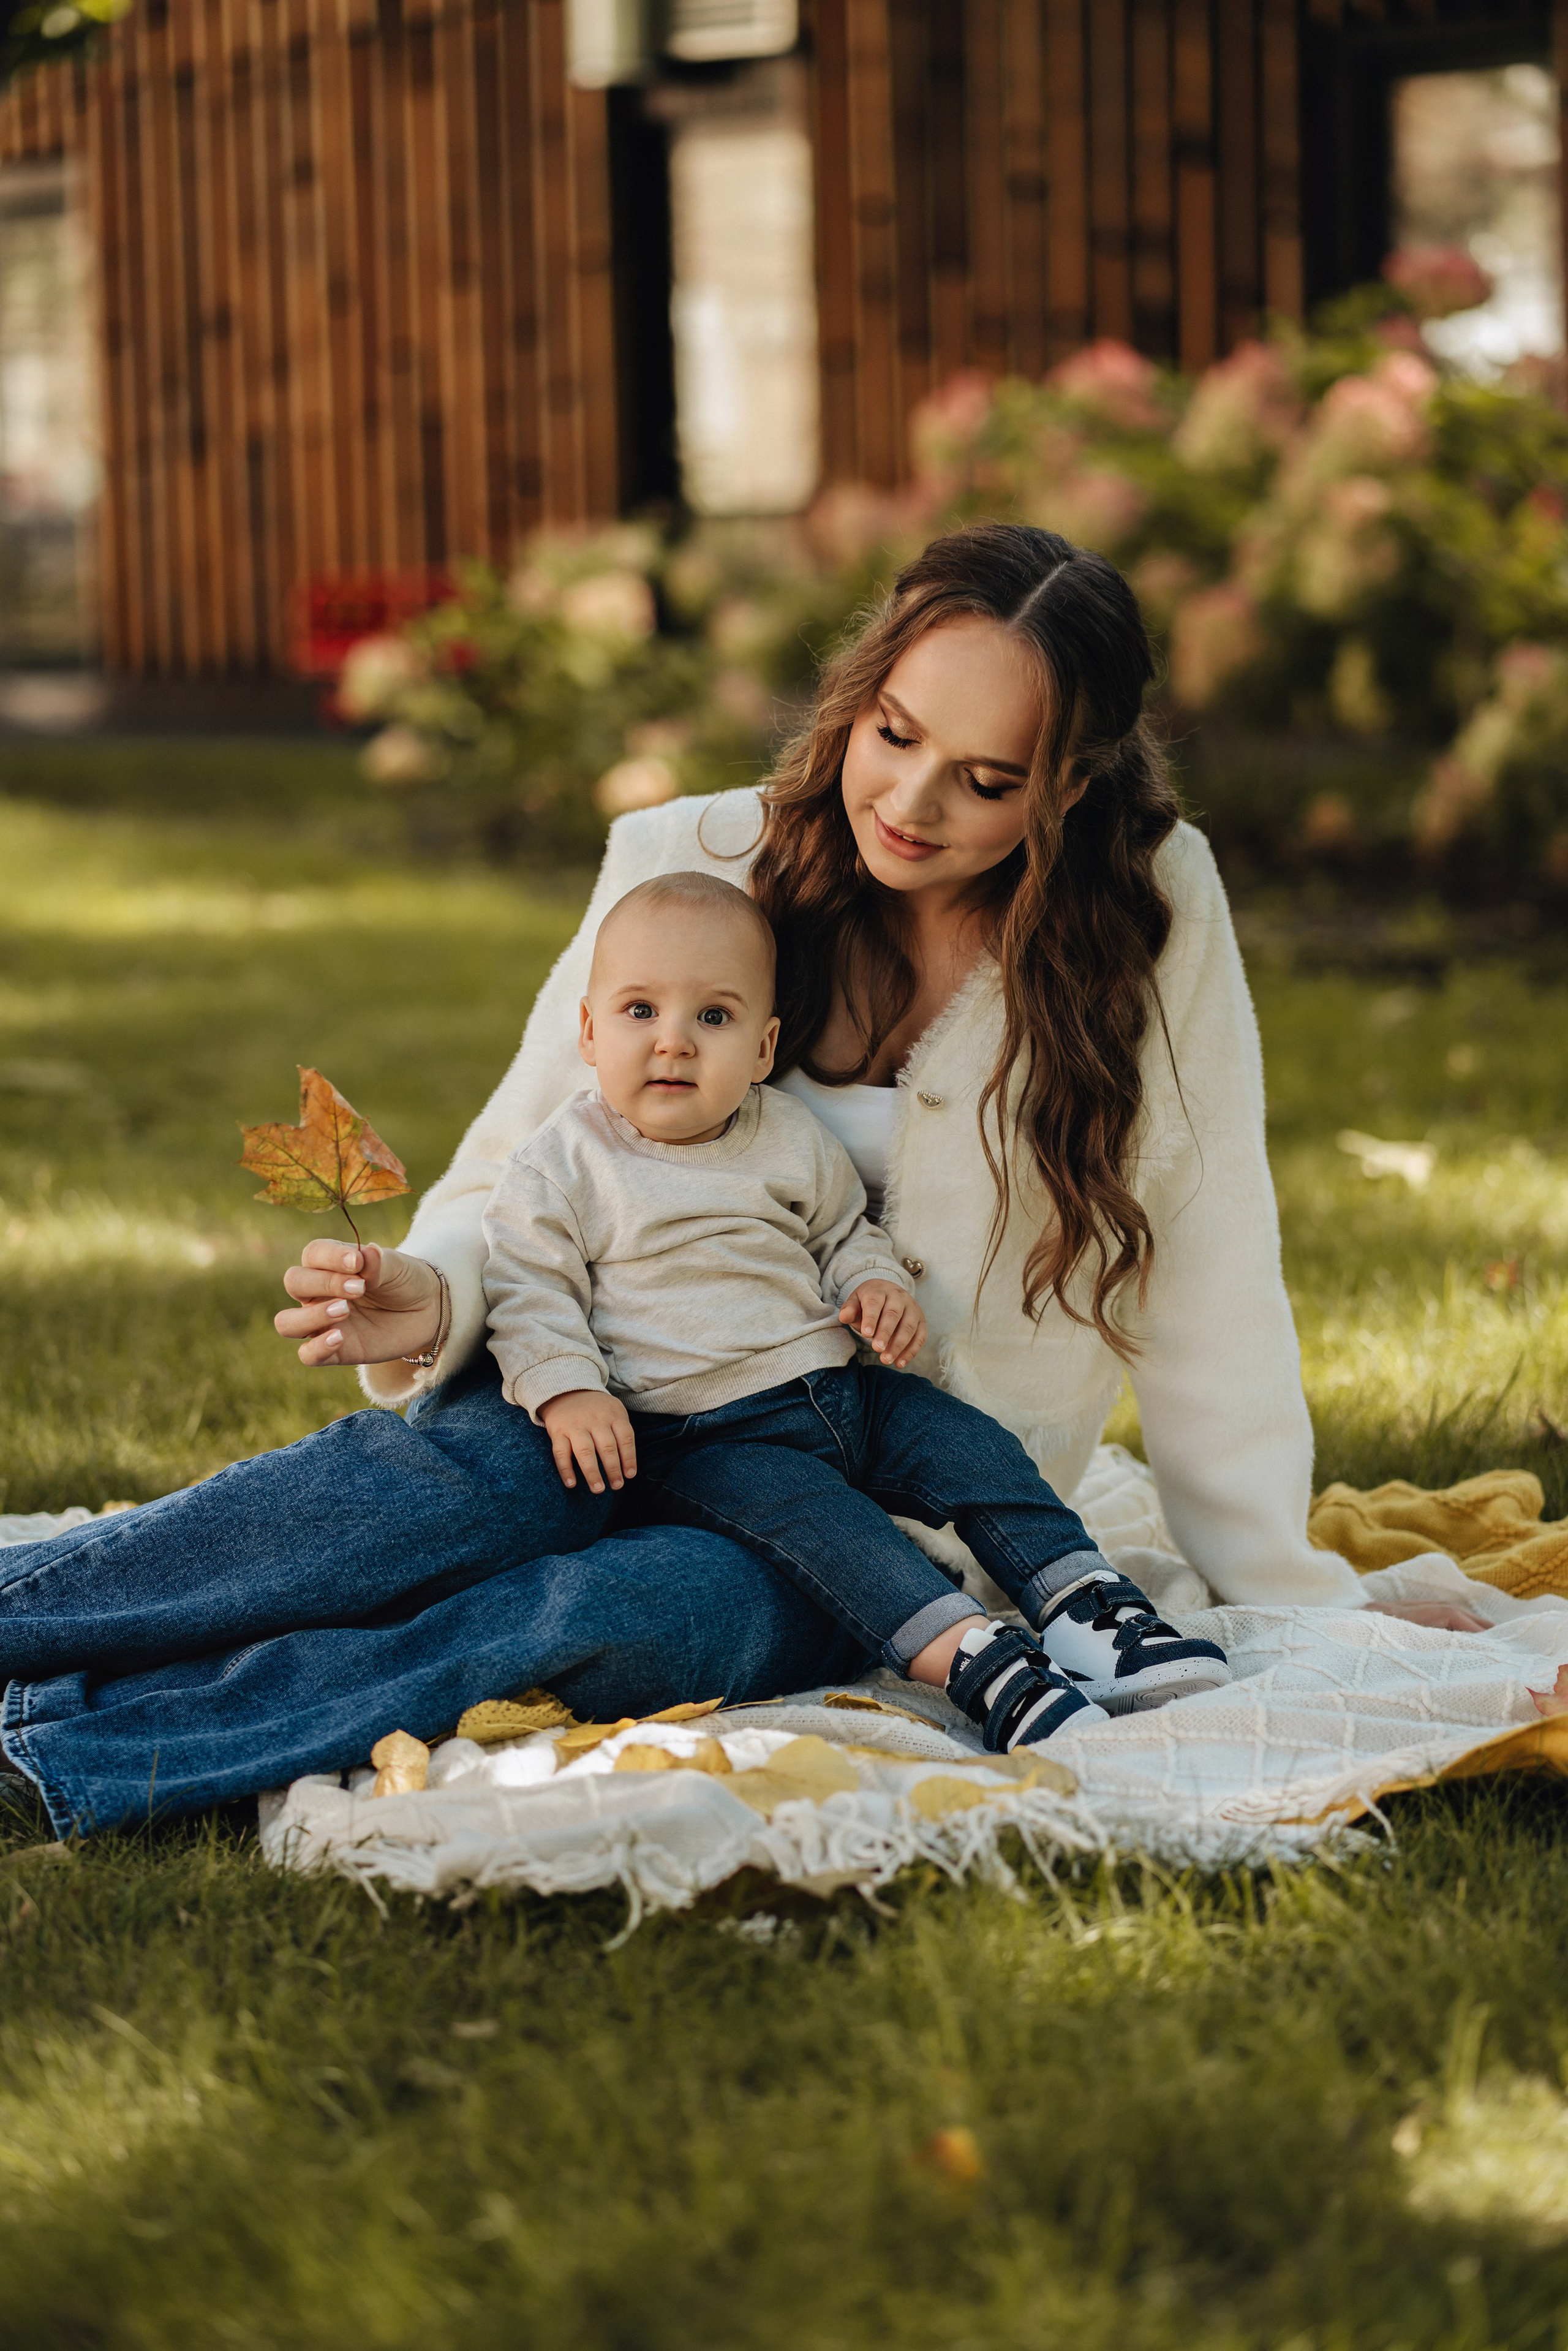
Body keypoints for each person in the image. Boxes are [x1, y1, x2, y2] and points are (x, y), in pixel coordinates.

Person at [0, 521, 1479, 1836]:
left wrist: (1272, 1582)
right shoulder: (688, 859)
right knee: (419, 1494)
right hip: (593, 1389)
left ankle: (66, 1755)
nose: (907, 801)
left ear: (1070, 783)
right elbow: (527, 1159)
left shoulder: (1149, 917)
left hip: (856, 1510)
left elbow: (1207, 1254)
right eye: (891, 733)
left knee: (614, 1612)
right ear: (861, 688)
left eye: (982, 779)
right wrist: (428, 1296)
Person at [481, 867, 1229, 1748]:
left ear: (763, 1049)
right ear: (589, 1031)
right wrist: (569, 1388)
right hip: (708, 1433)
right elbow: (528, 1290)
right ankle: (977, 1664)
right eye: (640, 1011)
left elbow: (846, 1235)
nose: (674, 1042)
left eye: (711, 1017)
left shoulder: (788, 1134)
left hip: (841, 1389)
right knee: (840, 1534)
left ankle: (1084, 1609)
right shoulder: (563, 1163)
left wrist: (876, 1286)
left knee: (972, 1446)